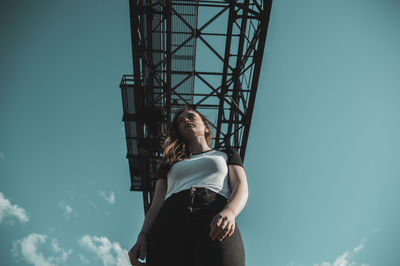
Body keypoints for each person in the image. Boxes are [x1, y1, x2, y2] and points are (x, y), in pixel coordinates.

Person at [128, 105, 249, 266]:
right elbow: (157, 203)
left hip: (214, 216)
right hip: (170, 220)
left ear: (205, 125)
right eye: (180, 121)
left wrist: (230, 211)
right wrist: (142, 236)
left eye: (191, 116)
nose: (185, 120)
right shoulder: (169, 162)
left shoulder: (226, 153)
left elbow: (241, 186)